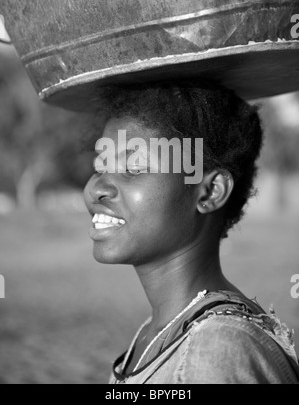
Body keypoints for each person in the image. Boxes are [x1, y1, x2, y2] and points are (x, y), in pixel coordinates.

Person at [83, 80, 299, 384]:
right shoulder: (161, 331)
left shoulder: (214, 351)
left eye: (133, 168)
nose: (96, 188)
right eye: (100, 166)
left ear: (209, 192)